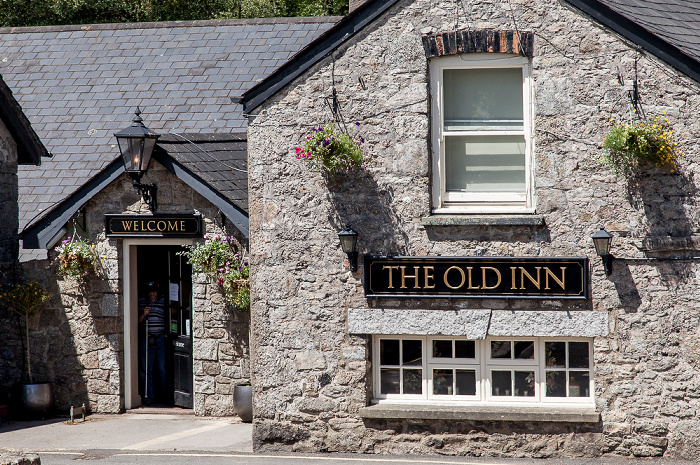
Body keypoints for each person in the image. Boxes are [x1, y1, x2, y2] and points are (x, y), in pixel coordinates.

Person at [138, 281, 166, 405]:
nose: (152, 294)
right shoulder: (142, 301)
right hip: (147, 337)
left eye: (154, 292)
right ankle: (148, 396)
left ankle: (165, 395)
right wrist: (143, 314)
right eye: (150, 292)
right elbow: (137, 321)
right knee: (146, 369)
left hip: (160, 337)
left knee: (162, 368)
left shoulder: (163, 301)